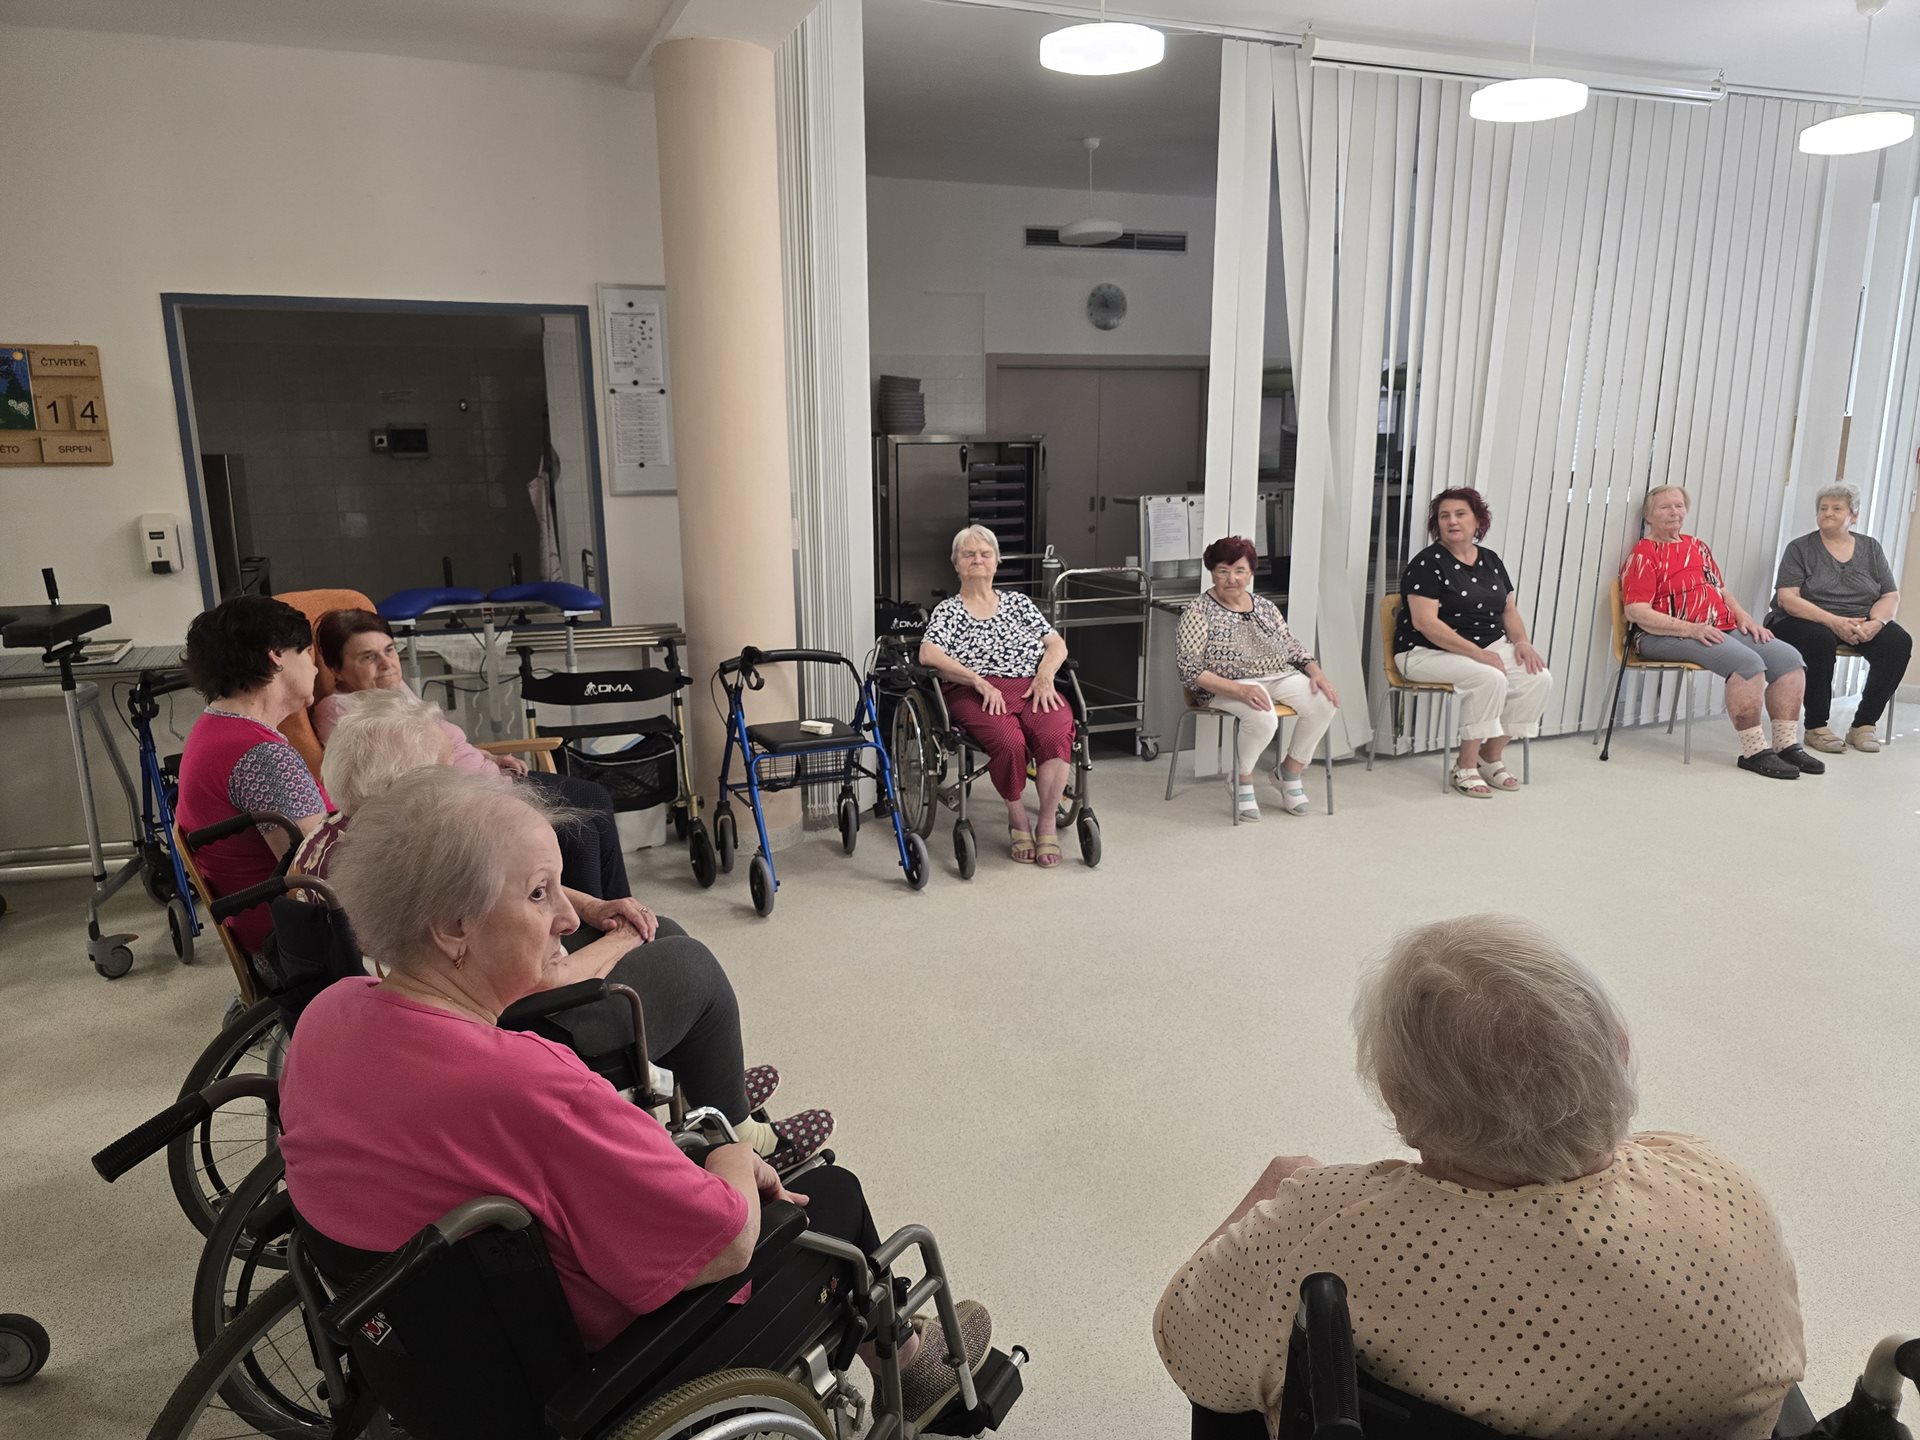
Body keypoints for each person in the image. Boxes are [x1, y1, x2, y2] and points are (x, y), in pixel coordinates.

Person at [278, 767, 992, 1425]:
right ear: (451, 926)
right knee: (832, 1195)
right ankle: (910, 1364)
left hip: (426, 1362)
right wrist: (732, 1155)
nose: (568, 917)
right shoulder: (524, 1082)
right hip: (594, 1380)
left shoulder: (328, 1017)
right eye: (539, 893)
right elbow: (724, 1243)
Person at [1154, 915, 1805, 1439]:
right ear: (1619, 1046)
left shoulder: (1326, 1236)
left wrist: (1279, 1192)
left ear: (1396, 1099)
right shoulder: (1724, 1194)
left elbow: (1188, 1345)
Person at [298, 687, 826, 1169]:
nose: (463, 771)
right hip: (519, 1030)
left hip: (483, 998)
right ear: (410, 787)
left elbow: (507, 888)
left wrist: (594, 907)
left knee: (662, 928)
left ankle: (710, 1086)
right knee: (692, 967)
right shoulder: (416, 871)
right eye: (447, 766)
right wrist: (620, 938)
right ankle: (744, 1139)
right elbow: (531, 980)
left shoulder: (344, 841)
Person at [310, 607, 631, 900]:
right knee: (579, 831)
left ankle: (622, 913)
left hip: (491, 778)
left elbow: (441, 739)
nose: (386, 664)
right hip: (466, 799)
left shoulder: (393, 691)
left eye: (390, 650)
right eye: (368, 657)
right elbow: (390, 776)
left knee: (595, 797)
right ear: (336, 670)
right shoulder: (345, 712)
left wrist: (489, 756)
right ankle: (586, 929)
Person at [1622, 485, 1818, 780]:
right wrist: (1691, 628)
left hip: (1718, 627)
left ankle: (1786, 744)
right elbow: (1636, 612)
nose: (1674, 512)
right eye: (1664, 507)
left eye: (1678, 505)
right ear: (1648, 516)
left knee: (1789, 660)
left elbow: (1721, 590)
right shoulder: (1644, 554)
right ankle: (1754, 751)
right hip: (1662, 635)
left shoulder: (1697, 546)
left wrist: (1744, 617)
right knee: (1748, 664)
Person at [175, 595, 332, 961]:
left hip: (269, 932)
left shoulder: (216, 728)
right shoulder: (260, 755)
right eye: (308, 653)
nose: (314, 669)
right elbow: (322, 873)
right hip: (300, 948)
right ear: (276, 655)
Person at [917, 524, 1075, 867]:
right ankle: (1017, 817)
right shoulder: (948, 610)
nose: (978, 559)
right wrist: (977, 681)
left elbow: (1056, 644)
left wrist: (1045, 676)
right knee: (1008, 742)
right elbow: (928, 654)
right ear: (956, 564)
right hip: (973, 690)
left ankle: (1047, 821)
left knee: (1055, 732)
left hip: (1032, 685)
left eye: (985, 554)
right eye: (968, 554)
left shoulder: (1019, 603)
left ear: (996, 561)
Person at [1393, 488, 1553, 798]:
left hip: (1485, 647)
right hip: (1424, 652)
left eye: (1460, 514)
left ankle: (1489, 756)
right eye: (1444, 516)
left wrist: (1522, 642)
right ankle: (1464, 766)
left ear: (1478, 520)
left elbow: (1508, 609)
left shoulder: (1490, 560)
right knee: (1488, 677)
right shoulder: (1426, 564)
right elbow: (1425, 623)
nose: (1452, 521)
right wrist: (1479, 655)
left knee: (1537, 677)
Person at [1176, 536, 1339, 821]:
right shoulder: (1198, 611)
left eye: (1240, 570)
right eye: (1223, 571)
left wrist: (1317, 673)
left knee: (1324, 702)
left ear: (1251, 573)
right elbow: (1189, 668)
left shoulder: (1264, 606)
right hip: (1222, 685)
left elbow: (1291, 646)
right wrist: (1239, 691)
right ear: (1212, 573)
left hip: (1276, 675)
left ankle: (1289, 772)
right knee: (1264, 717)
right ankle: (1241, 779)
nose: (1232, 579)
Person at [1764, 483, 1909, 755]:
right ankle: (1816, 727)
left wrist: (1875, 623)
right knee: (1819, 640)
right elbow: (1787, 599)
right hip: (1804, 620)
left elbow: (1890, 595)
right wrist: (1833, 621)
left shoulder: (1870, 548)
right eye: (1823, 508)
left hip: (1859, 621)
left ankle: (1864, 725)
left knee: (1898, 642)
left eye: (1836, 508)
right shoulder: (1800, 548)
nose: (1828, 513)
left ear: (1854, 515)